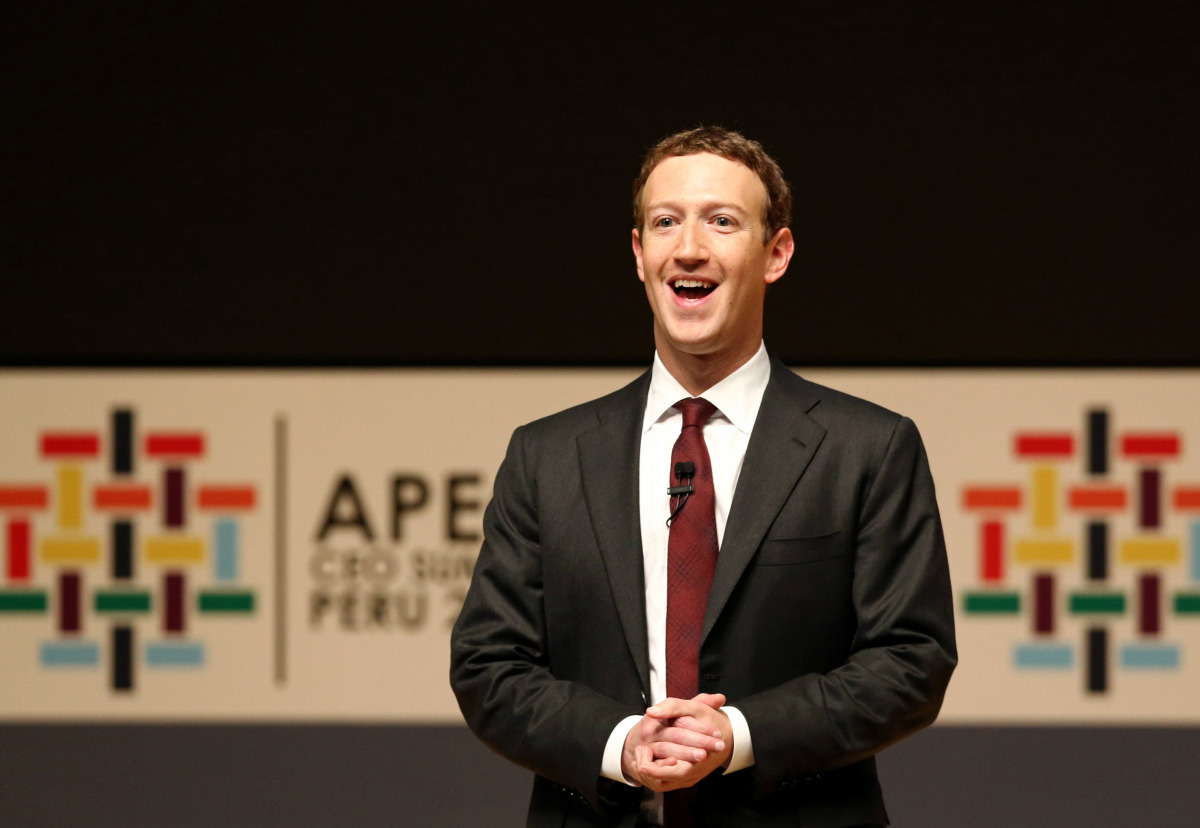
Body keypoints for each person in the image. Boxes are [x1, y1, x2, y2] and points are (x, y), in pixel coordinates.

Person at [450, 126, 956, 827]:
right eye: (665, 223)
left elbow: (911, 661)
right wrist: (622, 743)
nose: (689, 248)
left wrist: (736, 735)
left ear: (775, 253)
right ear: (638, 254)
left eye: (722, 221)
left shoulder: (867, 448)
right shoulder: (547, 456)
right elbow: (488, 665)